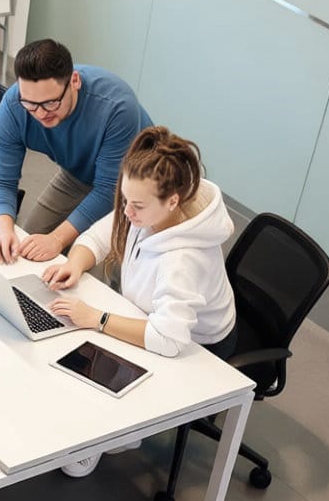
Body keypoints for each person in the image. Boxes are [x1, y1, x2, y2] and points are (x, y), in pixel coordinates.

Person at [41, 126, 237, 477]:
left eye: (137, 205)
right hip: (149, 315)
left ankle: (123, 433)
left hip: (196, 345)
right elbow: (102, 234)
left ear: (173, 200)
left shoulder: (182, 261)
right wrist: (75, 262)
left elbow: (169, 339)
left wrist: (97, 319)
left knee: (76, 465)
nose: (127, 212)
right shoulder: (149, 208)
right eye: (125, 199)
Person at [0, 39, 153, 264]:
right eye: (31, 105)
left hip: (136, 185)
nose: (40, 114)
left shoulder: (117, 107)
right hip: (78, 173)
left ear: (74, 81)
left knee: (87, 263)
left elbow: (108, 190)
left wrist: (57, 239)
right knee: (26, 242)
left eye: (51, 103)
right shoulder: (14, 105)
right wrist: (2, 230)